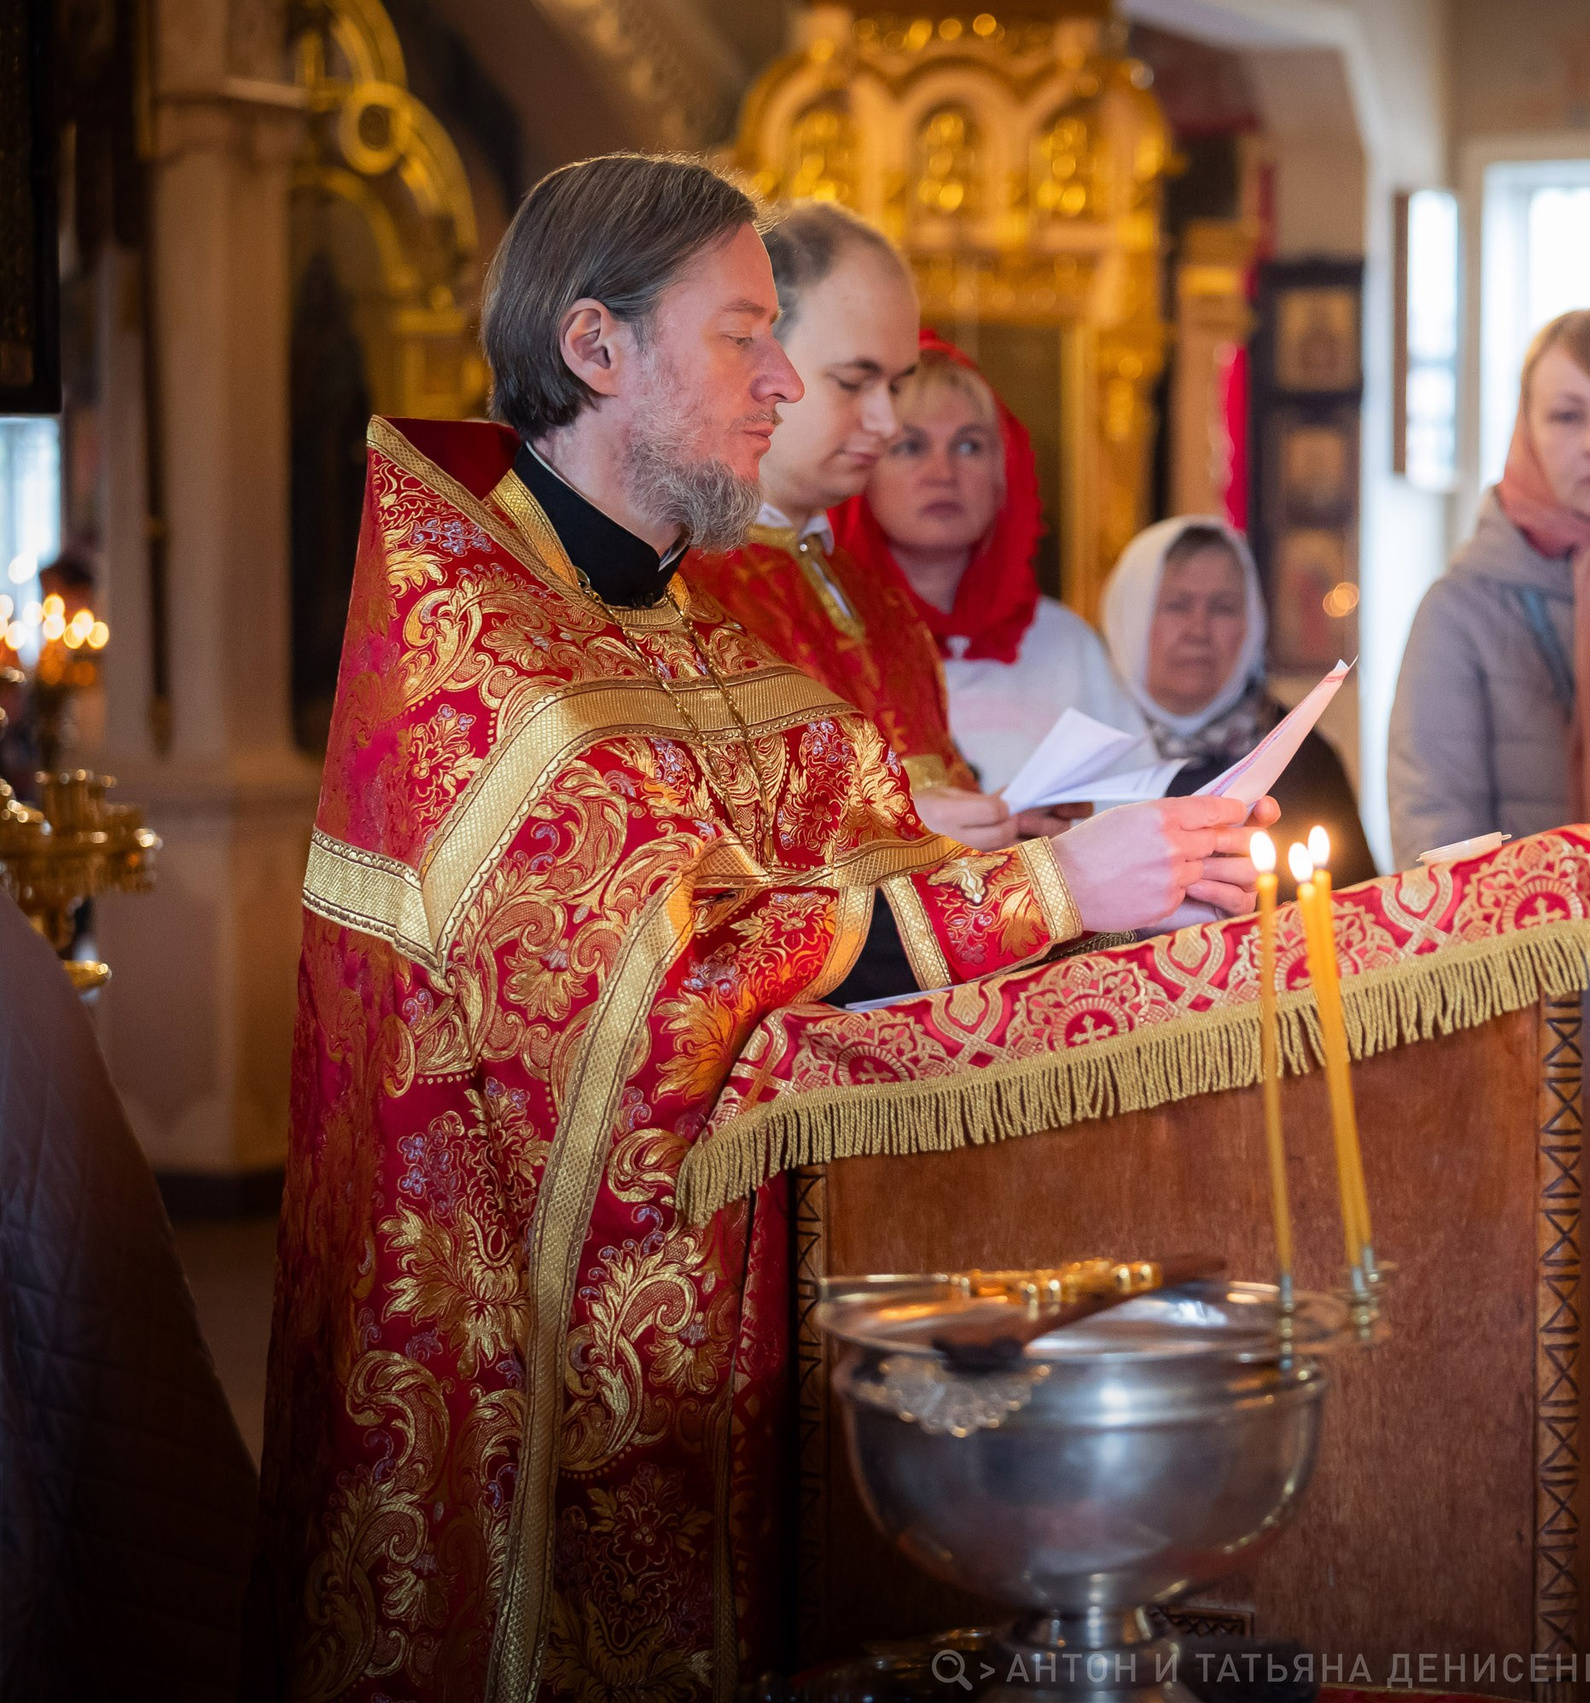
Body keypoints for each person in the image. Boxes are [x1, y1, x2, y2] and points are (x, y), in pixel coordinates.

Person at [247, 153, 1268, 1701]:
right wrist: (1058, 888)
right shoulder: (485, 645)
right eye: (744, 337)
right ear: (596, 346)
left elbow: (861, 857)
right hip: (519, 1392)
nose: (784, 383)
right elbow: (672, 984)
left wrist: (1117, 890)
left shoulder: (686, 621)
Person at [683, 203, 1070, 855]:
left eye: (895, 387)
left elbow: (936, 795)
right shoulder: (677, 594)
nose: (888, 424)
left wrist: (1002, 829)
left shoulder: (883, 604)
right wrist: (903, 831)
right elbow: (692, 859)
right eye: (854, 382)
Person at [1386, 307, 1590, 865]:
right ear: (1526, 429)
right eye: (1566, 416)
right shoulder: (1463, 609)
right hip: (1528, 919)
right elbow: (1434, 834)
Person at [831, 337, 1152, 794]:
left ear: (1005, 472)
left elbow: (1137, 802)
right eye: (910, 446)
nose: (942, 473)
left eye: (968, 447)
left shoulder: (1066, 645)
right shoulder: (819, 638)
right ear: (862, 469)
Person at [1099, 515, 1378, 885]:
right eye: (1177, 605)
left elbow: (1354, 907)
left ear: (1251, 624)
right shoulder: (1086, 750)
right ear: (1128, 616)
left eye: (1223, 607)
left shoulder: (1301, 757)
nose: (1198, 630)